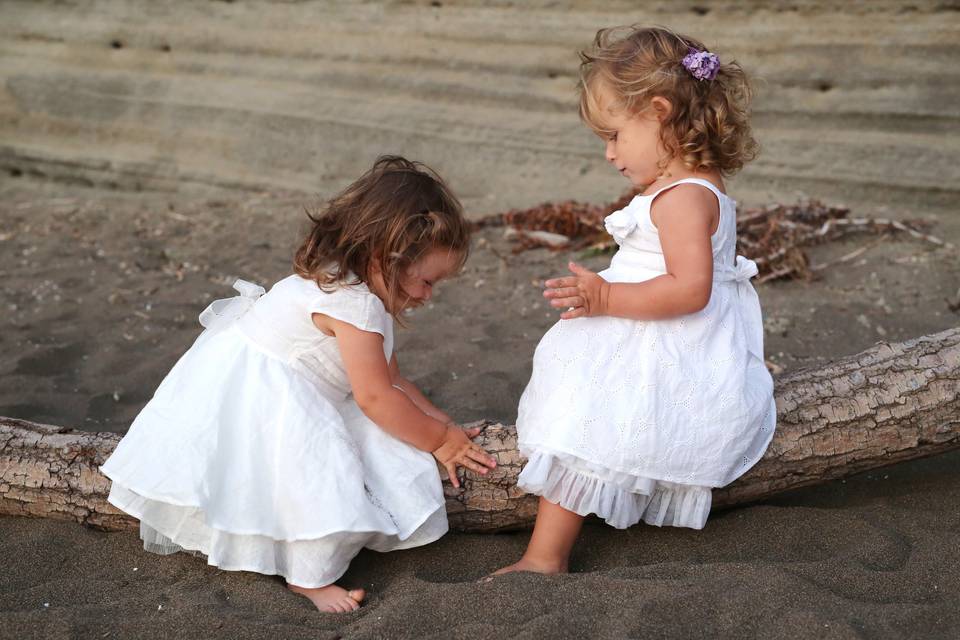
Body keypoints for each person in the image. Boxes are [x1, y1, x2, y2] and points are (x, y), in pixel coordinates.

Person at [101, 155, 497, 612]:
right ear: (385, 257)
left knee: (377, 444)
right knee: (317, 478)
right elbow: (372, 397)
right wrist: (438, 443)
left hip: (253, 379)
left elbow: (391, 379)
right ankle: (308, 577)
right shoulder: (355, 307)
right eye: (427, 281)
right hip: (270, 400)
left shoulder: (339, 279)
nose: (429, 295)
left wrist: (443, 425)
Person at [491, 26, 775, 577]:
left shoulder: (684, 199)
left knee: (589, 427)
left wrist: (604, 295)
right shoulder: (688, 186)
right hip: (651, 325)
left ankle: (544, 557)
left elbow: (690, 289)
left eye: (616, 135)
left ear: (661, 113)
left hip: (660, 338)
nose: (609, 153)